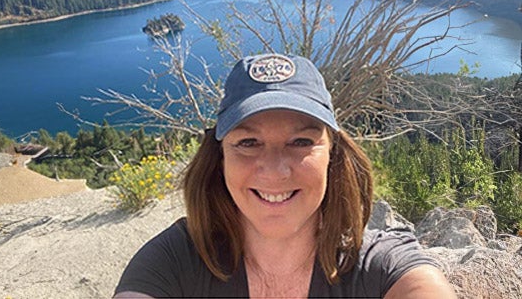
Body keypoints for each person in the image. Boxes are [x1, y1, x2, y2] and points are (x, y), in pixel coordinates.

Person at [113, 53, 456, 298]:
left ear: (333, 156)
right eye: (248, 142)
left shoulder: (379, 268)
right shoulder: (175, 262)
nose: (275, 169)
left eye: (300, 142)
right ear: (219, 159)